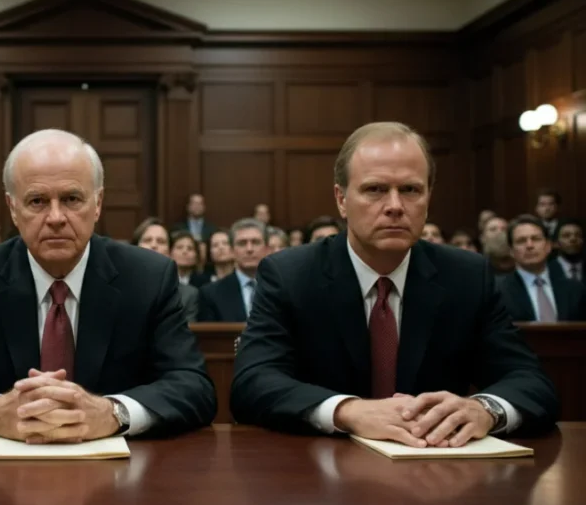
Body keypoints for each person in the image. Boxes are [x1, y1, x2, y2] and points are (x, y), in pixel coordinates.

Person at [232, 122, 557, 446]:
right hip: (321, 473)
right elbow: (253, 382)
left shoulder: (467, 277)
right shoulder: (290, 275)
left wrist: (484, 410)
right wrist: (347, 411)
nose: (395, 206)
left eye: (411, 190)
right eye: (375, 189)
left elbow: (530, 381)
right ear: (341, 199)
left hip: (437, 471)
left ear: (429, 197)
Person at [0, 129, 216, 439]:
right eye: (37, 201)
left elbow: (193, 386)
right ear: (13, 209)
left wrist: (113, 413)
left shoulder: (148, 277)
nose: (55, 217)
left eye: (72, 199)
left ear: (98, 204)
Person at [497, 215, 585, 322]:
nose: (529, 245)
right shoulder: (498, 291)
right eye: (521, 241)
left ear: (548, 246)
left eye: (536, 239)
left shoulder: (575, 290)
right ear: (511, 251)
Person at [198, 218, 268, 322]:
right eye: (242, 243)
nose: (249, 249)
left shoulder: (283, 288)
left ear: (266, 248)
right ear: (232, 250)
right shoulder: (211, 294)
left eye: (256, 242)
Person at [130, 218, 199, 322]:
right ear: (135, 247)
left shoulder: (188, 295)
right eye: (147, 240)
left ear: (169, 252)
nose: (154, 245)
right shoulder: (120, 289)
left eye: (161, 241)